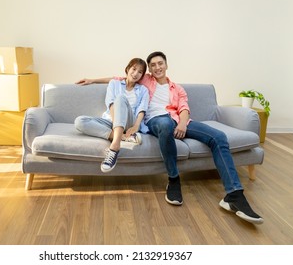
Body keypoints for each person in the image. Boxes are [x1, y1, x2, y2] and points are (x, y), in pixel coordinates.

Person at [76, 51, 264, 225]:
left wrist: (183, 124)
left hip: (179, 121)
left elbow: (184, 108)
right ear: (149, 70)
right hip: (157, 121)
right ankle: (174, 180)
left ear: (166, 65)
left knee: (219, 137)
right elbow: (120, 79)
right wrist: (92, 80)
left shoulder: (178, 89)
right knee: (165, 125)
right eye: (153, 65)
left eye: (160, 64)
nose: (157, 67)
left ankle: (234, 195)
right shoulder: (146, 81)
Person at [74, 58, 149, 173]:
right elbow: (110, 104)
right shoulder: (114, 83)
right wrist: (116, 124)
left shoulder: (143, 90)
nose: (135, 74)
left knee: (120, 98)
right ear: (128, 69)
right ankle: (123, 137)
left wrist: (136, 126)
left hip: (129, 122)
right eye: (134, 69)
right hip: (110, 120)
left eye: (140, 72)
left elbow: (141, 110)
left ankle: (114, 147)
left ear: (142, 75)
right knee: (80, 121)